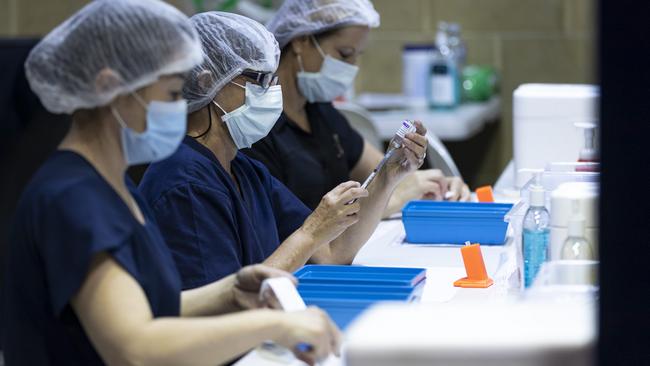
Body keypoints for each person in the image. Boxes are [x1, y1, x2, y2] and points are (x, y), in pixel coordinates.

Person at [2, 1, 340, 365]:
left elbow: (143, 304)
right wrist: (272, 326)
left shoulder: (110, 185)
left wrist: (232, 290)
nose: (184, 106)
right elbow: (135, 347)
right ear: (110, 87)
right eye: (172, 93)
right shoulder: (72, 199)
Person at [138, 11, 428, 289]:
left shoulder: (245, 171)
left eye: (272, 79)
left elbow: (331, 255)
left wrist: (388, 175)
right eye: (259, 81)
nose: (271, 93)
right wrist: (310, 232)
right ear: (206, 82)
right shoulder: (185, 183)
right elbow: (223, 307)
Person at [244, 0, 471, 216]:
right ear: (301, 41)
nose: (351, 68)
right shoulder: (259, 125)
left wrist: (436, 185)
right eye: (344, 54)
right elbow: (296, 225)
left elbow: (386, 173)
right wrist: (395, 198)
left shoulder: (320, 112)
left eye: (356, 56)